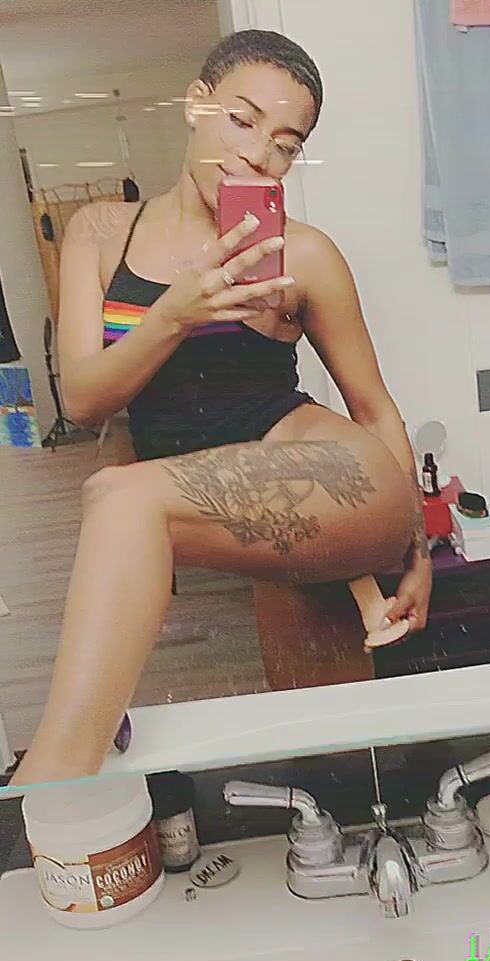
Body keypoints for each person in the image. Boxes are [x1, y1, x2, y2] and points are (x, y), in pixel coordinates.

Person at [10, 29, 431, 789]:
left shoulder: (304, 255)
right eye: (241, 121)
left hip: (345, 478)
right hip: (214, 498)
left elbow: (373, 410)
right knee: (120, 498)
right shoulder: (100, 233)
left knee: (120, 497)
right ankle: (62, 779)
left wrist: (418, 553)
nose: (257, 156)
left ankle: (46, 785)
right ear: (196, 104)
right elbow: (85, 397)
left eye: (285, 145)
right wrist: (174, 314)